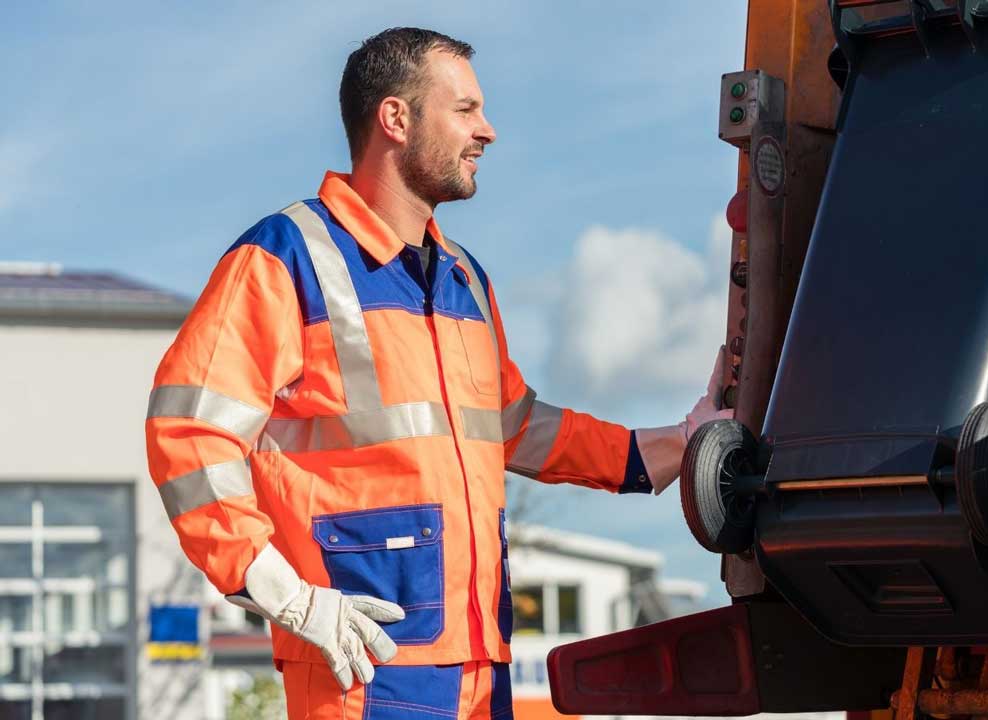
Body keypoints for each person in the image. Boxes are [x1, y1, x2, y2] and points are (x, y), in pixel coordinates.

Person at [145, 27, 729, 719]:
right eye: (465, 110)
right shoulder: (284, 259)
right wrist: (285, 595)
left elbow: (519, 429)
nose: (488, 130)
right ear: (396, 118)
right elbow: (188, 433)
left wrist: (679, 444)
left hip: (485, 668)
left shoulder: (464, 279)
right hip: (363, 666)